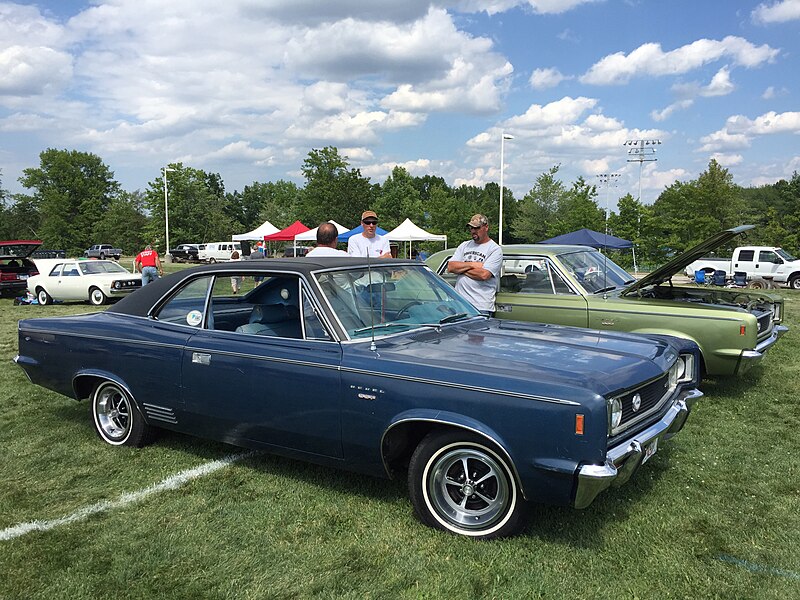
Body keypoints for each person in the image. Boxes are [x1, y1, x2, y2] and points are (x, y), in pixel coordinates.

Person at [447, 214, 502, 316]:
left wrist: (461, 268)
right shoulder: (464, 246)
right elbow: (450, 267)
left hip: (481, 306)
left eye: (477, 228)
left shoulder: (494, 249)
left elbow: (484, 275)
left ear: (486, 227)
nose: (473, 231)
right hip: (460, 304)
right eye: (471, 228)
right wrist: (472, 264)